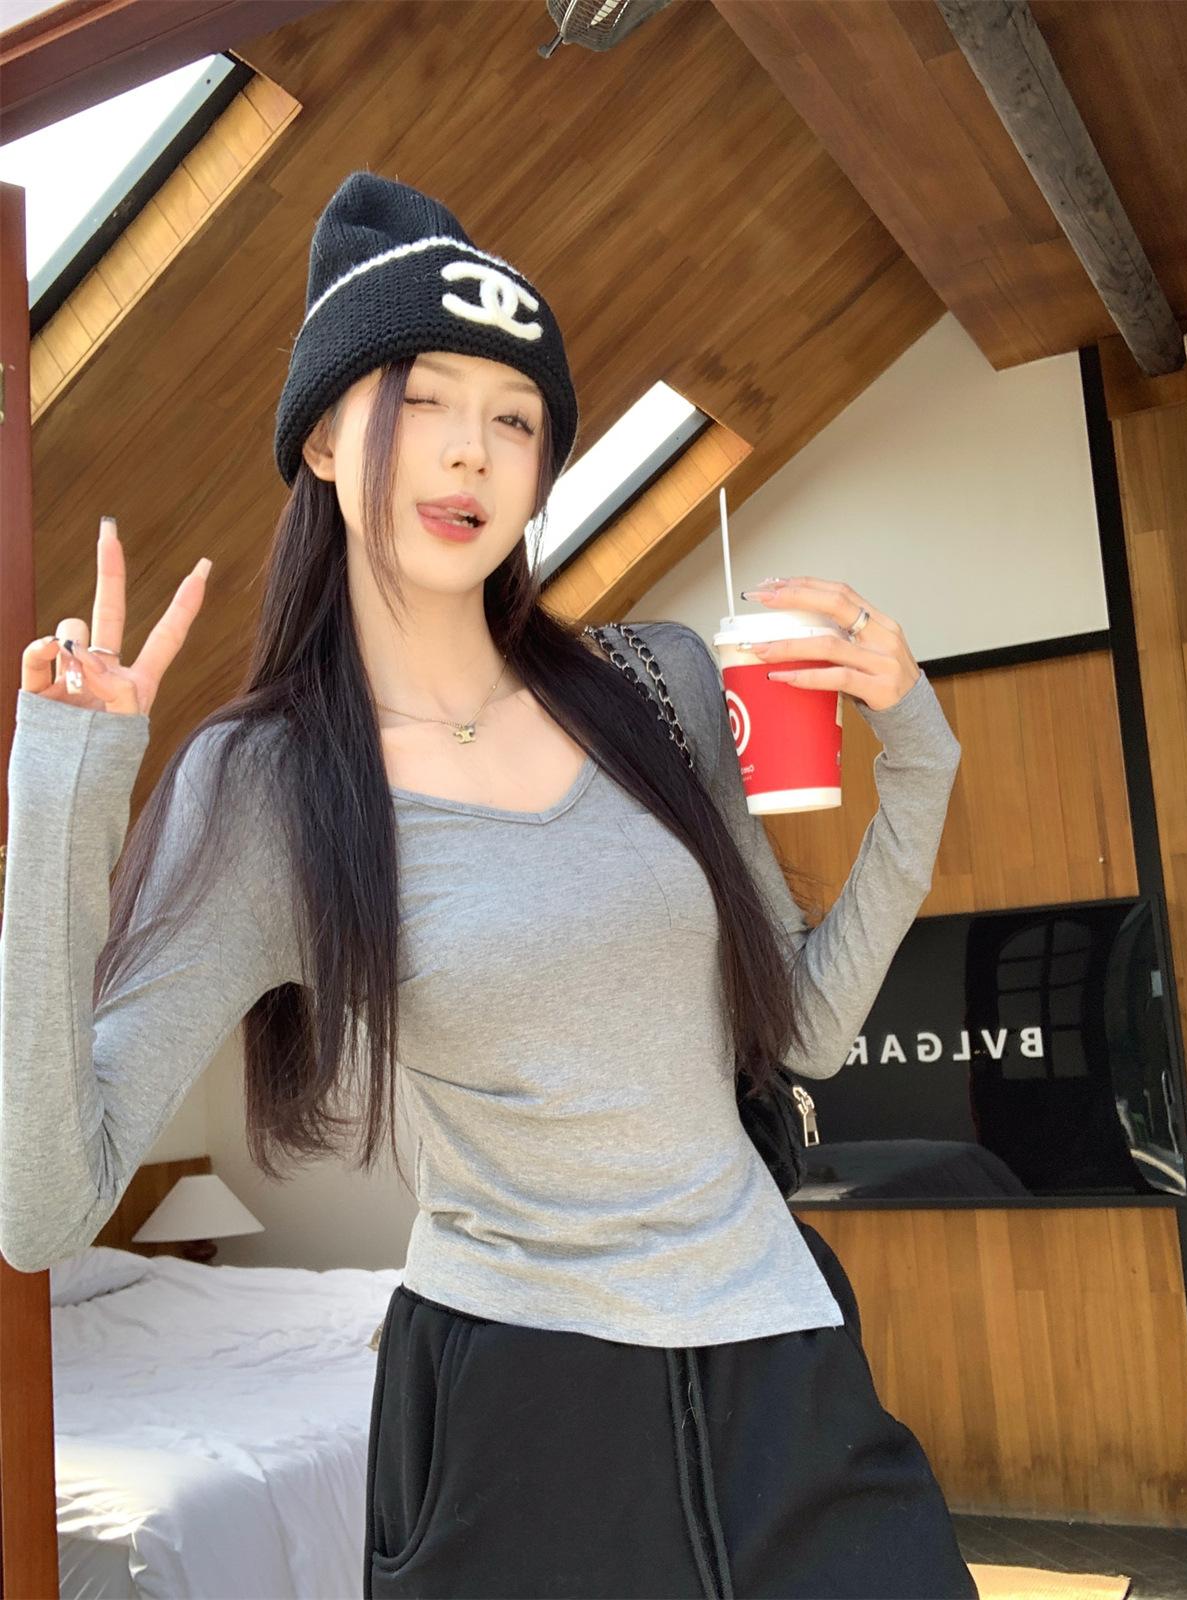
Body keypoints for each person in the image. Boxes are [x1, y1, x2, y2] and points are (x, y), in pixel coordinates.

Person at [1, 171, 978, 1599]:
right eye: (422, 400)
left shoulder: (661, 690)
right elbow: (42, 1207)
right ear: (323, 438)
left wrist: (923, 757)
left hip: (782, 1362)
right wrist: (64, 791)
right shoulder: (272, 784)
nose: (470, 450)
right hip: (518, 1413)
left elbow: (811, 1027)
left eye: (515, 418)